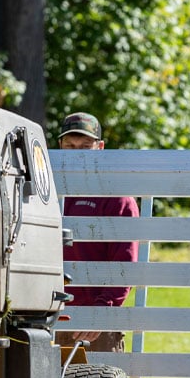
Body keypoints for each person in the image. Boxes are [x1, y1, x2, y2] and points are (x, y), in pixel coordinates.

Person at [55, 112, 139, 353]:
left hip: (96, 327)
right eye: (69, 146)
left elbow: (124, 264)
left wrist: (102, 312)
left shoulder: (116, 198)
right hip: (51, 319)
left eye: (85, 146)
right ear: (60, 146)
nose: (76, 153)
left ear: (100, 147)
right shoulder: (48, 191)